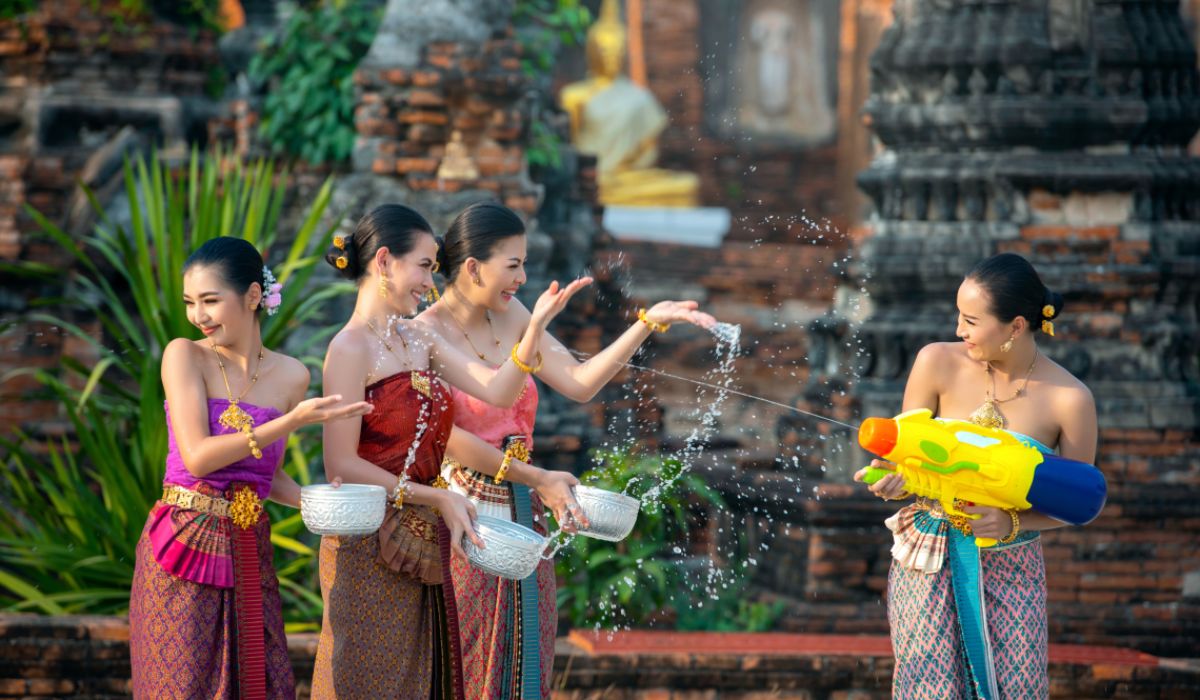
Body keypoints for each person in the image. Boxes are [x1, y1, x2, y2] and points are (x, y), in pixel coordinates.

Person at [414, 201, 716, 698]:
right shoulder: (424, 333)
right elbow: (445, 438)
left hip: (526, 510)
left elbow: (579, 383)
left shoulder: (510, 315)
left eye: (525, 264)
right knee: (468, 659)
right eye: (513, 265)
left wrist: (646, 323)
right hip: (463, 514)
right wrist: (537, 479)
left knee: (527, 656)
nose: (523, 277)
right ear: (472, 267)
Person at [311, 204, 588, 699]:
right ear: (383, 262)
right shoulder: (348, 349)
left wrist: (536, 327)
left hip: (428, 546)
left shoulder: (418, 337)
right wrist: (434, 497)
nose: (430, 280)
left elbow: (498, 391)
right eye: (423, 265)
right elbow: (342, 463)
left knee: (430, 685)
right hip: (368, 542)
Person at [130, 236, 372, 698]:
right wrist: (291, 421)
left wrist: (319, 503)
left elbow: (262, 473)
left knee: (255, 682)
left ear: (253, 297)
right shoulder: (185, 355)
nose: (198, 316)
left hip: (247, 545)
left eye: (210, 300)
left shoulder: (291, 375)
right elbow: (199, 457)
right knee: (180, 687)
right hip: (183, 541)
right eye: (190, 302)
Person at [853, 253, 1097, 700]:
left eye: (970, 320)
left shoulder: (1070, 400)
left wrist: (1012, 523)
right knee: (929, 688)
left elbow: (1078, 503)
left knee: (1016, 688)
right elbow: (903, 458)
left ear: (1016, 326)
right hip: (928, 551)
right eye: (958, 316)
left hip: (1011, 560)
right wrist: (889, 479)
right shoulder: (936, 363)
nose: (958, 331)